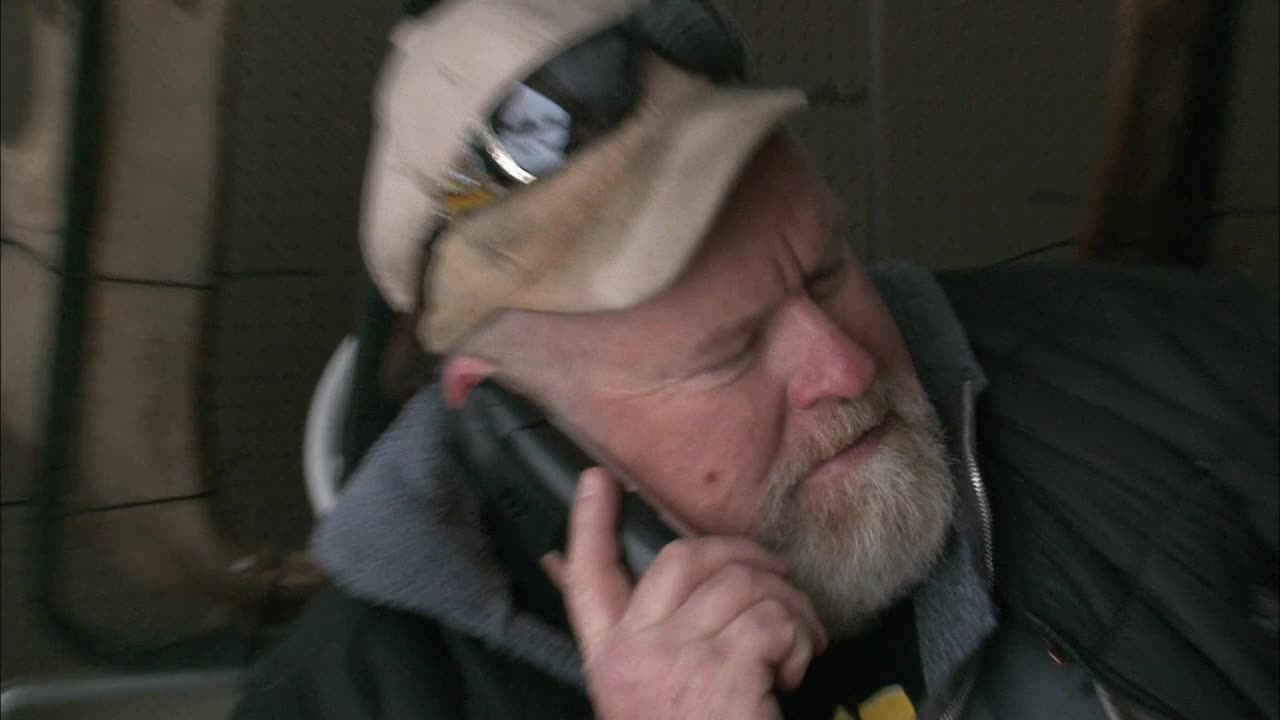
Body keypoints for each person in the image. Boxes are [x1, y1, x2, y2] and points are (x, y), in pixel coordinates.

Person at [234, 1, 1279, 718]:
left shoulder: (1164, 370)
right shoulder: (354, 695)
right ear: (512, 421)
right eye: (725, 352)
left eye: (825, 272)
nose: (845, 368)